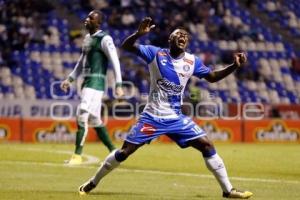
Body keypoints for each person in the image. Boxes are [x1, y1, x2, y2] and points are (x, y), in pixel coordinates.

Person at [78, 17, 253, 199]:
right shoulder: (156, 54)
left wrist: (233, 66)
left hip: (176, 118)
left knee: (207, 145)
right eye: (178, 34)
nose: (183, 36)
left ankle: (228, 190)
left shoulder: (192, 62)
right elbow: (126, 47)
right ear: (170, 40)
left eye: (185, 35)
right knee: (123, 153)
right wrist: (138, 34)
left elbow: (213, 76)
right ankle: (92, 182)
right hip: (151, 117)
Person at [60, 10, 124, 165]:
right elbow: (81, 61)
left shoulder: (105, 38)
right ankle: (114, 151)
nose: (87, 19)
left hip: (96, 83)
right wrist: (70, 79)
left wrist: (118, 84)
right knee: (94, 120)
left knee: (82, 113)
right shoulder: (88, 38)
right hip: (86, 83)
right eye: (87, 16)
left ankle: (77, 156)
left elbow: (115, 60)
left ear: (98, 22)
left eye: (91, 18)